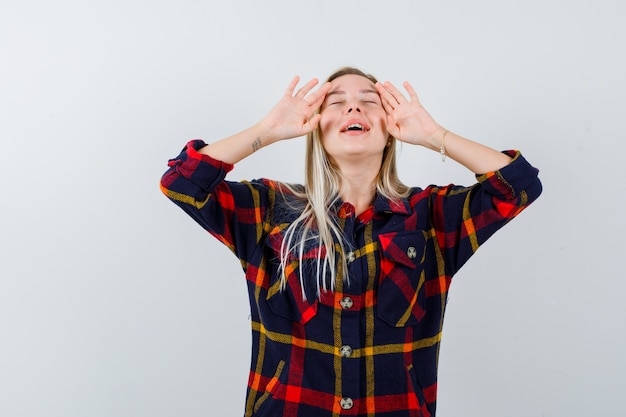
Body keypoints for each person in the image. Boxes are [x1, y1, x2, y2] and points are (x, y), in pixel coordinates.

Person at [160, 67, 542, 417]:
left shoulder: (430, 215)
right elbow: (182, 184)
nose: (353, 108)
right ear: (316, 126)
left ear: (391, 127)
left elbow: (518, 187)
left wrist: (435, 136)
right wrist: (268, 130)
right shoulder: (271, 209)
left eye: (369, 102)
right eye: (337, 103)